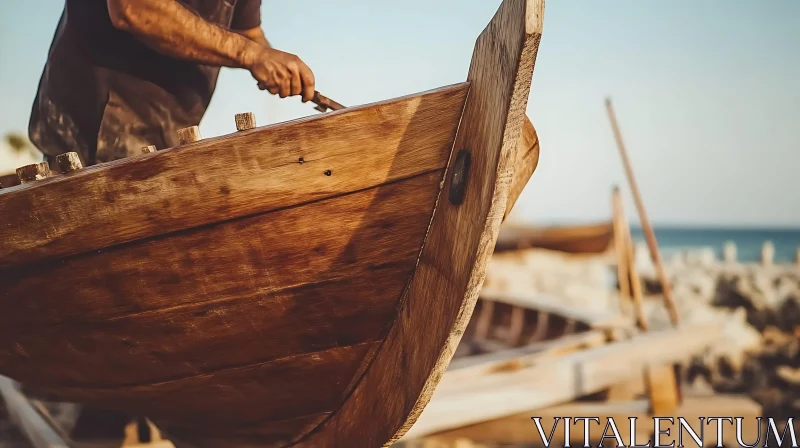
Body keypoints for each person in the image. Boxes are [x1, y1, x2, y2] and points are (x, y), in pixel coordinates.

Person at [28, 0, 315, 166]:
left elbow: (247, 31)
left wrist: (278, 63)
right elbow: (133, 8)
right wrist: (251, 54)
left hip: (167, 136)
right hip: (95, 123)